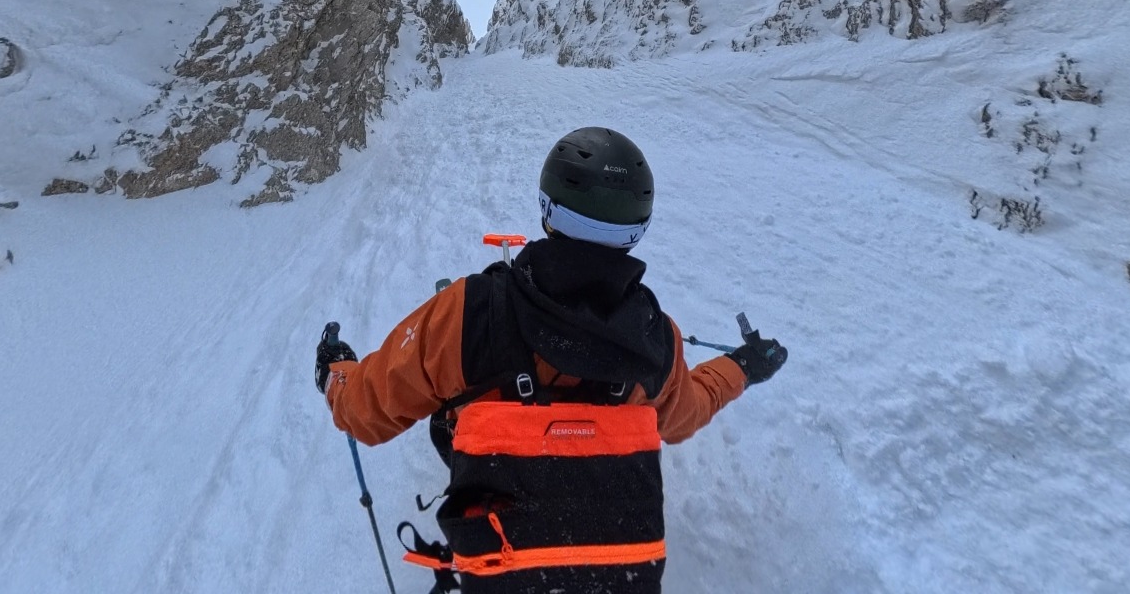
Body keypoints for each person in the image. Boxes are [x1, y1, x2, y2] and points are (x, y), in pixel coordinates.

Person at [315, 126, 789, 593]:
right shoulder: (657, 339)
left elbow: (364, 413)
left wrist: (337, 371)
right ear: (637, 230)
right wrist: (743, 367)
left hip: (505, 553)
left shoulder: (467, 313)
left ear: (548, 212)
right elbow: (686, 414)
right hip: (608, 566)